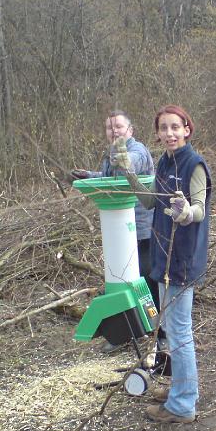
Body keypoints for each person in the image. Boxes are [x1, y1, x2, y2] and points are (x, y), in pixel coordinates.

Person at [114, 105, 211, 424]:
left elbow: (199, 208)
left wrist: (186, 213)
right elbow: (147, 201)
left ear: (187, 129)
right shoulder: (166, 163)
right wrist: (128, 170)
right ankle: (181, 389)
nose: (169, 133)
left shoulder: (193, 164)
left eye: (175, 127)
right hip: (163, 256)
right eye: (163, 128)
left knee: (180, 332)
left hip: (181, 260)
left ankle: (183, 405)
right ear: (157, 133)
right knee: (171, 328)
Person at [71, 111, 163, 355]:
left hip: (140, 227)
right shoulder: (110, 154)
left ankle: (157, 331)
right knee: (125, 279)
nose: (114, 131)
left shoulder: (137, 150)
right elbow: (109, 177)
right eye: (110, 128)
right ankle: (131, 329)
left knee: (146, 279)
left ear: (130, 130)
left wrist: (122, 158)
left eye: (119, 127)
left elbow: (129, 166)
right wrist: (89, 176)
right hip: (118, 229)